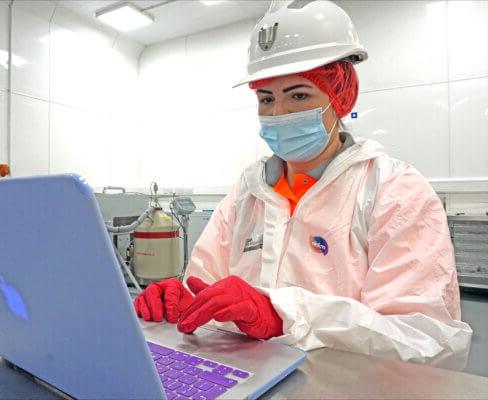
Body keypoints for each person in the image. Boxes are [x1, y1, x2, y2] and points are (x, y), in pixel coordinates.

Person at [133, 0, 472, 370]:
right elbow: (206, 289)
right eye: (266, 98)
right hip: (248, 382)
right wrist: (180, 300)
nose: (278, 113)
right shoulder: (248, 191)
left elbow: (428, 341)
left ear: (340, 97)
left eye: (298, 95)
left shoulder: (394, 191)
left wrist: (286, 314)